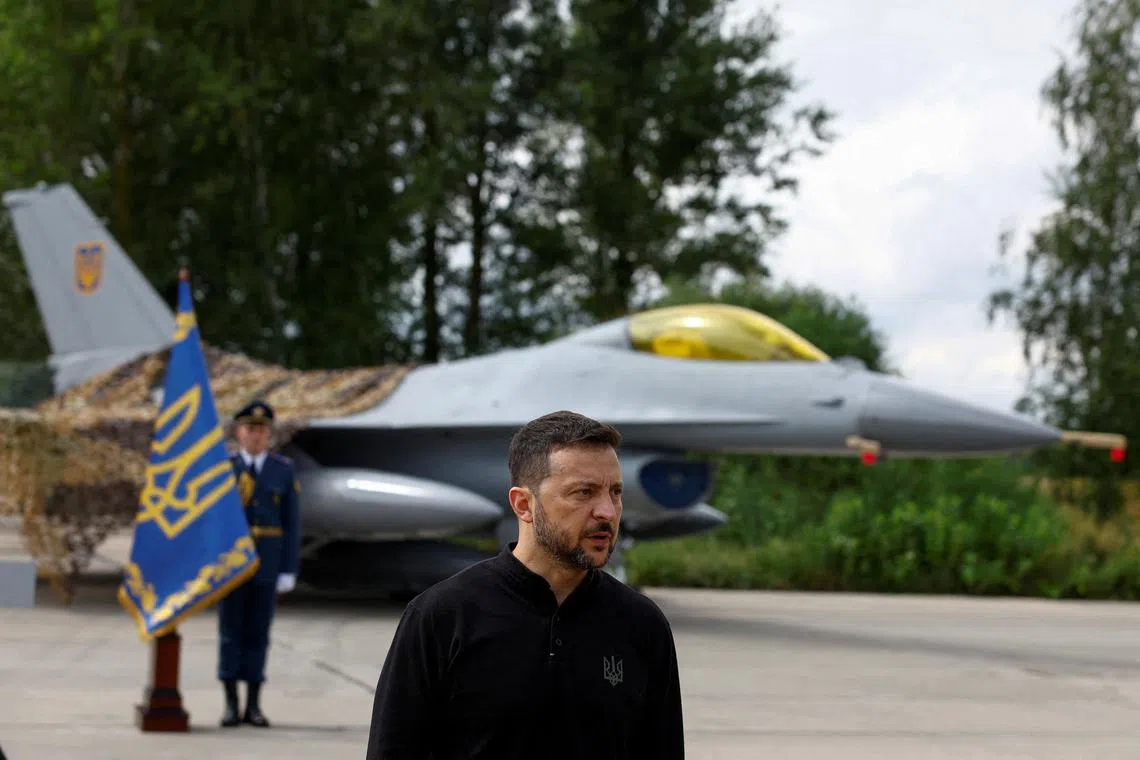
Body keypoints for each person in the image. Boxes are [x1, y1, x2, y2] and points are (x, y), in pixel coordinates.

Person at [365, 410, 685, 759]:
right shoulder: (441, 617)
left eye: (615, 492)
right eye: (584, 493)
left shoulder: (643, 626)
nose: (607, 511)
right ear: (523, 504)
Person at [216, 399, 302, 728]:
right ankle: (230, 703)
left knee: (258, 634)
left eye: (261, 430)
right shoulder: (226, 468)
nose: (255, 435)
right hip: (231, 565)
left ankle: (253, 705)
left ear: (269, 435)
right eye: (250, 429)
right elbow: (215, 521)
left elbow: (292, 523)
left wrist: (288, 568)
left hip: (267, 563)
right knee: (230, 633)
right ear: (238, 432)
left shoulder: (283, 470)